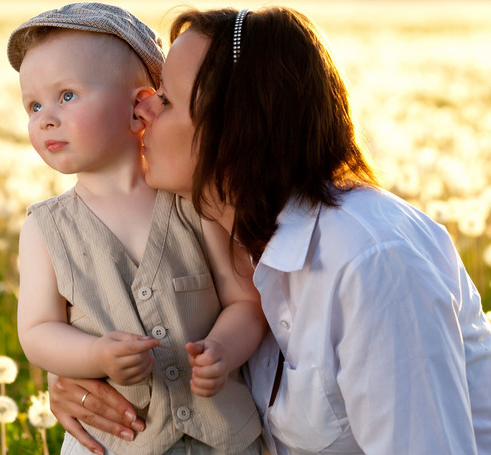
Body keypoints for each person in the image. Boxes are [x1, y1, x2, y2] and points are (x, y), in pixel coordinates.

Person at [53, 5, 491, 455]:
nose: (140, 110)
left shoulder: (373, 262)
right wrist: (80, 379)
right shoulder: (214, 238)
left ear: (234, 129)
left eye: (165, 99)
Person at [8, 3, 267, 455]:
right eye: (33, 105)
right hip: (115, 443)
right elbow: (37, 330)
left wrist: (225, 349)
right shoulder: (44, 227)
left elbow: (244, 301)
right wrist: (95, 356)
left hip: (224, 440)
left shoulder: (196, 204)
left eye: (67, 95)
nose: (45, 116)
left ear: (138, 108)